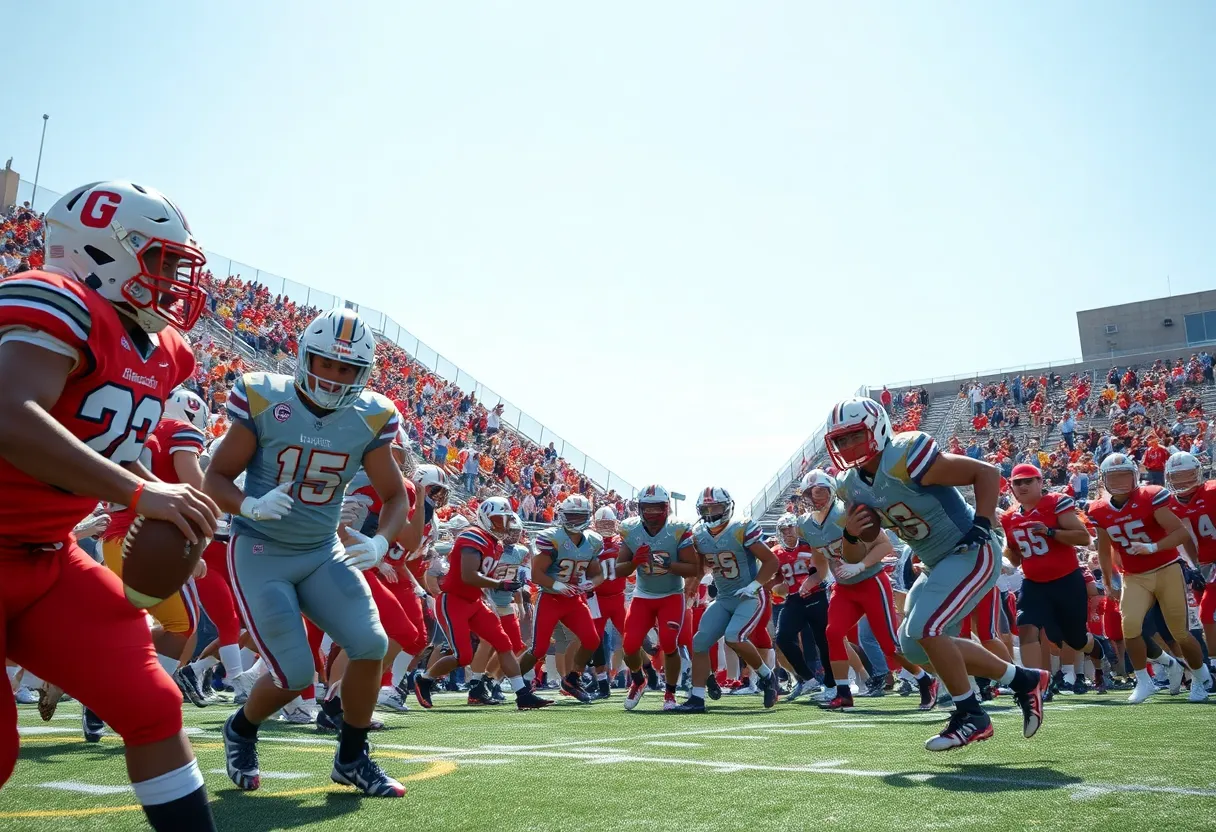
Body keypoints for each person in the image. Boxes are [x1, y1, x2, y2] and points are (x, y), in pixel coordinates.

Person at [0, 181, 220, 831]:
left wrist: (171, 508)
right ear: (100, 251)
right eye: (159, 260)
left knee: (149, 700)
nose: (172, 279)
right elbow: (12, 417)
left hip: (48, 559)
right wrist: (141, 491)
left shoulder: (163, 352)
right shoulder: (55, 298)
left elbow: (110, 438)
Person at [205, 308, 411, 797]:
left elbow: (397, 495)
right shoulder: (263, 397)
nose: (334, 377)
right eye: (325, 363)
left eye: (347, 370)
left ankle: (352, 757)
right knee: (295, 673)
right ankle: (242, 727)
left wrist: (381, 540)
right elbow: (215, 478)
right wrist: (249, 504)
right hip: (261, 547)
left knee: (371, 645)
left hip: (321, 550)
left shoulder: (370, 416)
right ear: (303, 357)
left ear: (363, 374)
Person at [826, 397, 1048, 751]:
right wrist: (852, 533)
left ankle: (971, 714)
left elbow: (986, 473)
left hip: (968, 550)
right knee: (914, 645)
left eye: (854, 436)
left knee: (927, 628)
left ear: (877, 428)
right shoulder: (850, 484)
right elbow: (855, 550)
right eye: (840, 441)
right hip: (935, 564)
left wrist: (982, 522)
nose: (847, 447)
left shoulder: (904, 456)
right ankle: (1023, 679)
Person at [798, 470, 937, 711]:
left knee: (888, 644)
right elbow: (820, 557)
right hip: (843, 587)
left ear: (831, 490)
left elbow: (884, 545)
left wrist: (859, 565)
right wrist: (813, 579)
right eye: (810, 492)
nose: (815, 497)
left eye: (820, 490)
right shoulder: (805, 524)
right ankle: (843, 693)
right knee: (832, 633)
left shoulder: (847, 512)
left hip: (871, 581)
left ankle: (925, 680)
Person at [1091, 454, 1211, 704]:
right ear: (1104, 480)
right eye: (1115, 477)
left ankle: (1201, 676)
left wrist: (1153, 547)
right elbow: (1104, 549)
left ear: (1135, 476)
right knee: (1130, 627)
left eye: (1125, 475)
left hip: (1166, 568)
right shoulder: (1099, 509)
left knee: (1179, 631)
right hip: (1133, 576)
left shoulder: (1150, 496)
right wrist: (1108, 579)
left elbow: (1179, 533)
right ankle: (1145, 682)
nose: (1121, 482)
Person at [412, 497, 551, 710]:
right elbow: (469, 575)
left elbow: (484, 574)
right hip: (454, 600)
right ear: (484, 517)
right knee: (463, 655)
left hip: (475, 601)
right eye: (497, 520)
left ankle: (522, 694)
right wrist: (500, 584)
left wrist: (498, 587)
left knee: (505, 644)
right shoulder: (472, 535)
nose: (502, 525)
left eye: (505, 521)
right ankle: (425, 679)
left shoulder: (495, 543)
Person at [679, 487, 780, 713]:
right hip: (724, 597)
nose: (711, 512)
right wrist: (692, 585)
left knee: (735, 637)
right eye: (706, 508)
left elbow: (771, 561)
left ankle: (767, 676)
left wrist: (754, 585)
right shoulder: (700, 535)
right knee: (700, 641)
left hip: (749, 595)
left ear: (727, 508)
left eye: (715, 507)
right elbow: (702, 566)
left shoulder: (741, 529)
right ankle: (697, 697)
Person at [999, 465, 1102, 685]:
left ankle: (1097, 649)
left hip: (1066, 580)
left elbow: (1083, 538)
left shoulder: (1055, 502)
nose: (1023, 486)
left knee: (1073, 639)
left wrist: (1049, 532)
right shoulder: (1009, 518)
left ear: (1040, 482)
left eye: (1028, 481)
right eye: (1017, 482)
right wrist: (1004, 558)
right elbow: (1016, 557)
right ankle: (1034, 684)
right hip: (1034, 583)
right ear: (1011, 486)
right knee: (1026, 627)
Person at [615, 485, 699, 711]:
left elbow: (693, 567)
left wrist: (670, 564)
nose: (651, 514)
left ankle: (670, 693)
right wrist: (633, 563)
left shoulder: (678, 529)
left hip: (671, 595)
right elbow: (619, 569)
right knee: (629, 645)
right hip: (643, 595)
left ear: (666, 508)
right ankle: (638, 680)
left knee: (670, 643)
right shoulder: (630, 530)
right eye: (647, 508)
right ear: (640, 508)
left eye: (656, 508)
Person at [517, 494, 605, 703]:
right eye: (570, 516)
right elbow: (537, 574)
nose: (574, 520)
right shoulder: (552, 538)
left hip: (574, 600)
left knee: (592, 640)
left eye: (579, 516)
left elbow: (598, 574)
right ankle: (512, 682)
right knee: (538, 648)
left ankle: (573, 679)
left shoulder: (592, 541)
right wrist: (558, 585)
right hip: (551, 598)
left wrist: (589, 584)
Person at [1164, 451, 1216, 680]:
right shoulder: (1168, 505)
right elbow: (1182, 539)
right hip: (1200, 566)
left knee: (1207, 612)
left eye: (1188, 475)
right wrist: (1190, 565)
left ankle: (1213, 664)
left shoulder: (1212, 492)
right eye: (1178, 477)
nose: (1184, 482)